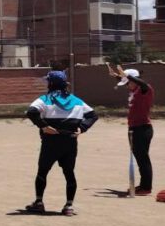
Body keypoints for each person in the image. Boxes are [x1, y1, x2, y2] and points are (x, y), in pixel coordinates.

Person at [24, 70, 98, 216]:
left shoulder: (45, 99)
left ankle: (39, 202)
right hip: (70, 142)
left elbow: (31, 112)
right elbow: (92, 115)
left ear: (50, 83)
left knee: (43, 172)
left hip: (50, 142)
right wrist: (82, 128)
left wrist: (43, 126)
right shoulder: (76, 100)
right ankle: (69, 206)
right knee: (69, 173)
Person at [110, 64, 154, 195]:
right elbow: (129, 82)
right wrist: (117, 77)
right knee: (140, 159)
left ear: (134, 80)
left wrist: (126, 75)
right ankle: (143, 186)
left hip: (143, 128)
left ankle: (146, 188)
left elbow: (142, 83)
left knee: (143, 159)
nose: (127, 86)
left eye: (128, 83)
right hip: (134, 128)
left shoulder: (145, 90)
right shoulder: (134, 90)